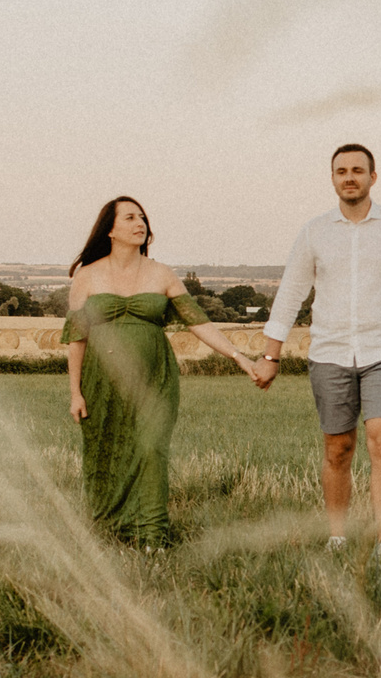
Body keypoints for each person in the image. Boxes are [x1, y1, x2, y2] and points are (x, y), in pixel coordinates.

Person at [259, 144, 381, 559]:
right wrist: (271, 356)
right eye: (341, 171)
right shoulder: (314, 231)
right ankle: (337, 537)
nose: (349, 177)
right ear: (333, 178)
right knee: (338, 448)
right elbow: (289, 295)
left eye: (358, 170)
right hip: (330, 352)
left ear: (373, 177)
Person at [64, 196, 268, 545]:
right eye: (129, 217)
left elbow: (199, 323)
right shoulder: (87, 277)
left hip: (154, 377)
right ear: (110, 229)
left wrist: (239, 357)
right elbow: (76, 340)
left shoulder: (161, 273)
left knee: (151, 448)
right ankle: (109, 529)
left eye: (142, 217)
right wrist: (75, 392)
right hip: (101, 378)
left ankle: (152, 534)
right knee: (104, 448)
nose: (139, 223)